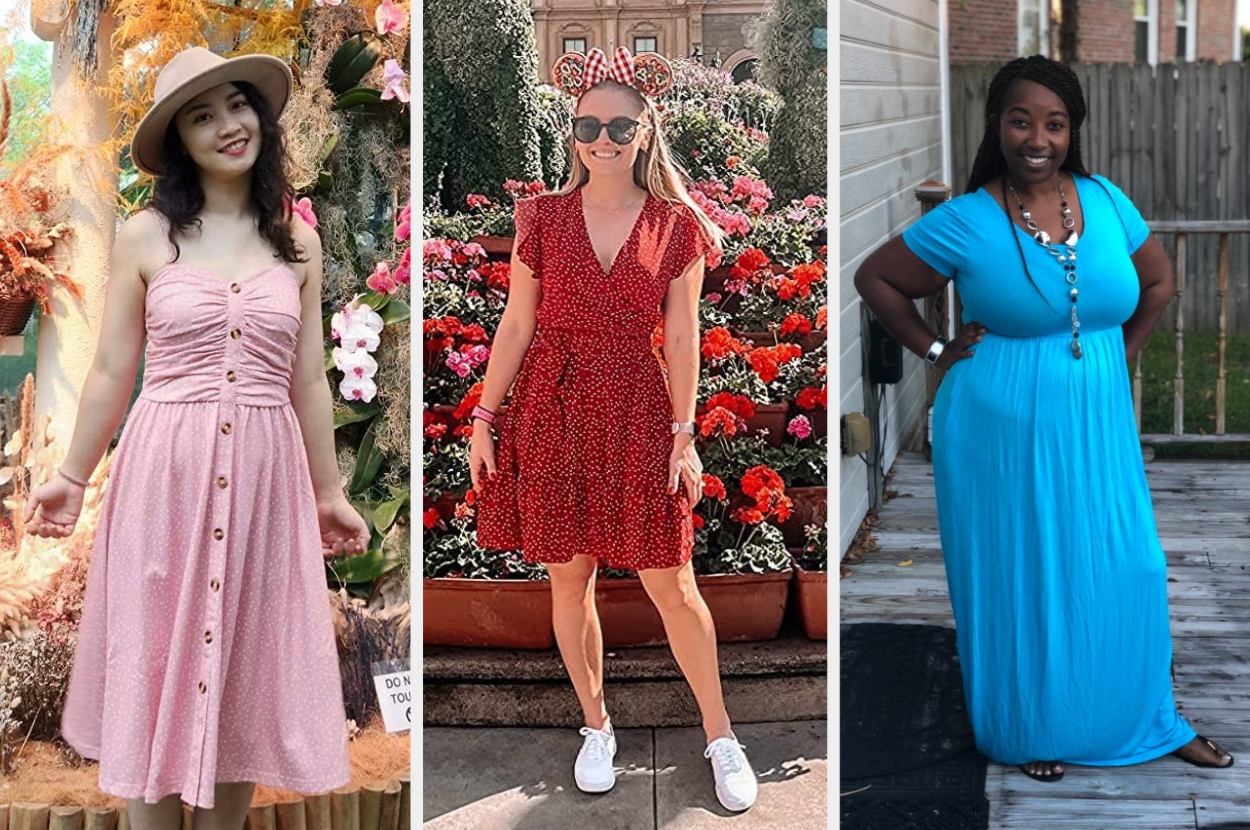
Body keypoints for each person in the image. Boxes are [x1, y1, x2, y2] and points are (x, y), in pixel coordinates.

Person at [853, 55, 1234, 782]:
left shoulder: (1106, 200)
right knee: (1023, 575)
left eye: (1054, 124)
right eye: (1021, 120)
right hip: (997, 424)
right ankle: (1029, 726)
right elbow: (875, 278)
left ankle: (1151, 718)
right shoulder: (967, 219)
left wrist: (1114, 360)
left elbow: (1157, 281)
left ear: (1071, 131)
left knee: (1130, 566)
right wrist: (936, 350)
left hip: (1096, 422)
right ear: (997, 126)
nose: (1038, 138)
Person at [23, 47, 371, 828]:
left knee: (244, 668)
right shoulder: (145, 236)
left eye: (237, 104)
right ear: (180, 140)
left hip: (265, 482)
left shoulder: (298, 242)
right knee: (153, 662)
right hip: (164, 478)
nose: (227, 125)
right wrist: (72, 477)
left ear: (261, 115)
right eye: (201, 116)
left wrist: (329, 493)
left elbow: (308, 380)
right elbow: (112, 369)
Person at [468, 46, 759, 811]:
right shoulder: (540, 218)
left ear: (645, 130)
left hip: (636, 404)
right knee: (570, 576)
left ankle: (721, 734)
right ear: (570, 131)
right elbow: (517, 323)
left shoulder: (675, 225)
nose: (602, 139)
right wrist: (485, 418)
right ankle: (596, 726)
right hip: (552, 406)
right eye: (588, 125)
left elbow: (685, 336)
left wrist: (684, 433)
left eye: (619, 126)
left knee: (672, 581)